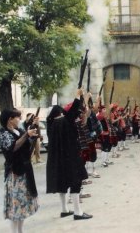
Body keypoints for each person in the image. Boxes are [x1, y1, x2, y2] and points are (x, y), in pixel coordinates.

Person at [46, 89, 92, 220]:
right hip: (71, 157)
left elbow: (74, 113)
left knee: (62, 184)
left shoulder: (51, 124)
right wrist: (79, 97)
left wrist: (82, 100)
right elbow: (72, 113)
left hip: (57, 160)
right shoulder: (65, 121)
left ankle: (64, 210)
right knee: (76, 182)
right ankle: (78, 212)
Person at [0, 109, 39, 232]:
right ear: (10, 119)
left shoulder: (19, 130)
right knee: (15, 206)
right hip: (15, 173)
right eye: (17, 117)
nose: (19, 120)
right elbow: (12, 148)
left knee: (22, 205)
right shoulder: (3, 132)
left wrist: (34, 128)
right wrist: (27, 134)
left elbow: (30, 144)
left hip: (25, 170)